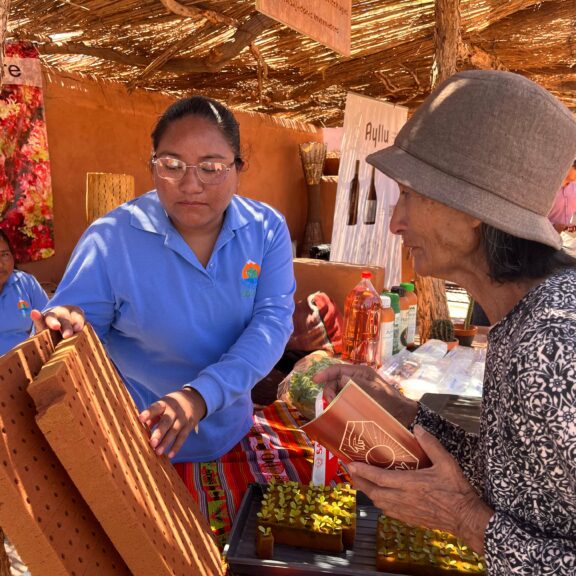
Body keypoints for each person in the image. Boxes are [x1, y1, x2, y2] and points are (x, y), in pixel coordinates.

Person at [314, 70, 576, 575]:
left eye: (410, 194)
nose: (394, 221)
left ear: (473, 208)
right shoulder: (524, 321)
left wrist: (462, 519)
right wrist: (403, 413)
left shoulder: (552, 346)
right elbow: (524, 482)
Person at [32, 95, 296, 463]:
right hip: (141, 442)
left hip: (233, 433)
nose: (190, 185)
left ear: (238, 167)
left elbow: (272, 322)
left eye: (211, 167)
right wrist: (65, 325)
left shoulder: (265, 229)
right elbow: (72, 333)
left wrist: (199, 396)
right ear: (152, 166)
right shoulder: (111, 238)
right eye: (172, 164)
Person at [0, 230, 48, 356]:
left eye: (4, 254)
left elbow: (47, 317)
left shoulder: (25, 282)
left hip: (31, 363)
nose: (0, 264)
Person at [548, 158, 576, 232]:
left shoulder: (574, 190)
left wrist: (566, 226)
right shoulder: (548, 187)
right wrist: (555, 226)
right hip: (538, 237)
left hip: (558, 240)